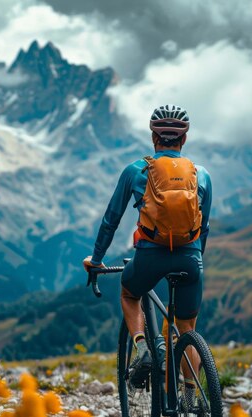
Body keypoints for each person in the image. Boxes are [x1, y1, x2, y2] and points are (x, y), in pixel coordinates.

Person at [82, 104, 212, 408]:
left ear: (154, 137)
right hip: (190, 260)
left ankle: (141, 348)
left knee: (129, 293)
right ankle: (191, 398)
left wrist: (97, 260)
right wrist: (195, 259)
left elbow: (110, 220)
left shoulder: (135, 170)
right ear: (185, 138)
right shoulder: (201, 175)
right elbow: (203, 228)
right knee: (187, 328)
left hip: (150, 257)